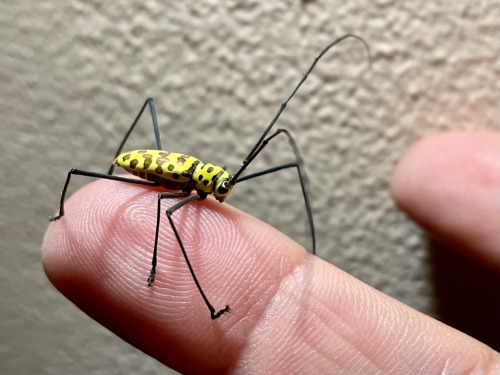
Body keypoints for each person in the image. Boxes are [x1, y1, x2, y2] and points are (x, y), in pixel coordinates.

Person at [43, 131, 500, 374]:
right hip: (151, 169)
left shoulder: (212, 181)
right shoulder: (182, 190)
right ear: (206, 184)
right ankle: (157, 269)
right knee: (164, 212)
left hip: (176, 170)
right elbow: (166, 214)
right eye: (220, 187)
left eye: (224, 187)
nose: (224, 193)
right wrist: (154, 264)